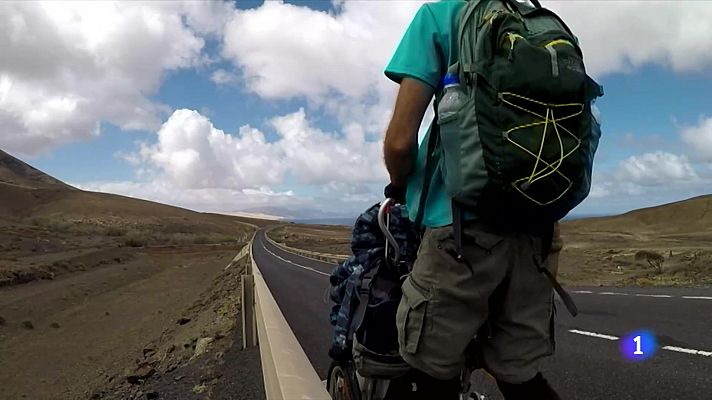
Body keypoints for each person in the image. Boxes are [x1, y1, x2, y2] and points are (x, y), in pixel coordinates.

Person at [381, 1, 566, 399]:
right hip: (537, 230)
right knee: (519, 375)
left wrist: (398, 186)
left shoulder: (440, 16)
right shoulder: (543, 25)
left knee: (430, 368)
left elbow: (399, 143)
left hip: (461, 232)